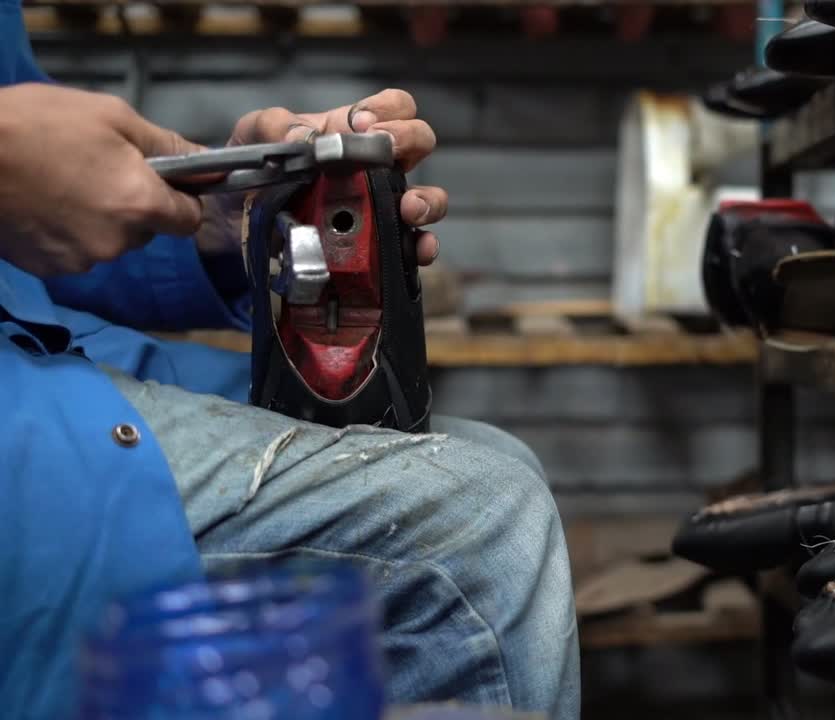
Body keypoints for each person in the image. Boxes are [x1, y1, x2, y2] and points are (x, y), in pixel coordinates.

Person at [0, 3, 579, 719]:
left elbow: (31, 222)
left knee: (500, 457)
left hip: (35, 345)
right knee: (483, 523)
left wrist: (221, 224)